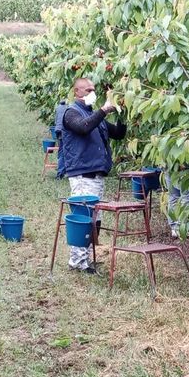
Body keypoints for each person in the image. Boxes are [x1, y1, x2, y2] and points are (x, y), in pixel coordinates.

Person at [60, 78, 127, 273]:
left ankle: (85, 259)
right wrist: (104, 110)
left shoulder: (95, 117)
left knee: (94, 219)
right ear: (76, 92)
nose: (92, 92)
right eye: (88, 89)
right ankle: (78, 262)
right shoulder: (71, 113)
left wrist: (124, 111)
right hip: (82, 175)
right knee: (83, 218)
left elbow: (118, 133)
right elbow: (83, 126)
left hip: (96, 175)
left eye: (93, 90)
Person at [165, 167, 189, 238]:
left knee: (173, 197)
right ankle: (181, 227)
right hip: (186, 170)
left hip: (169, 167)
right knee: (187, 197)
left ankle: (174, 228)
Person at [53, 100, 68, 179]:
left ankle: (60, 172)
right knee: (67, 152)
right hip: (66, 132)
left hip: (58, 131)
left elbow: (56, 121)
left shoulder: (58, 108)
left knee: (61, 152)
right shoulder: (69, 107)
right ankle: (62, 172)